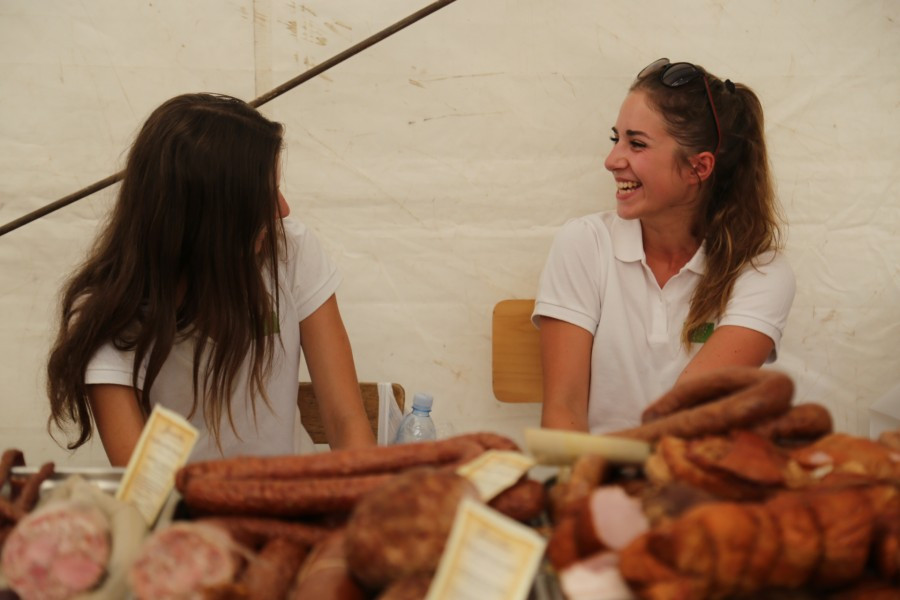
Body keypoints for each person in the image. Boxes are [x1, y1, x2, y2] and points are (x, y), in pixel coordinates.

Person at [47, 93, 375, 465]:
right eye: (264, 197)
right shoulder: (110, 315)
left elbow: (345, 421)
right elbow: (145, 489)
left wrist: (367, 509)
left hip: (293, 501)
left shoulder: (291, 250)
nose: (283, 210)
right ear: (208, 223)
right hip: (188, 513)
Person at [532, 58, 796, 434]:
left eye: (636, 143)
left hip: (691, 482)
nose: (611, 160)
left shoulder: (760, 272)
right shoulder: (584, 243)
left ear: (698, 168)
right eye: (616, 138)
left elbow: (682, 423)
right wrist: (588, 488)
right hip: (591, 480)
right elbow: (563, 410)